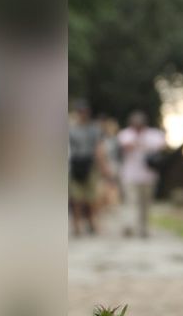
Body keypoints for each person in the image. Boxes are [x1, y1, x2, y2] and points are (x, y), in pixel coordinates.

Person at [117, 111, 166, 238]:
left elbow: (162, 144)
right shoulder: (125, 134)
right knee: (131, 202)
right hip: (130, 175)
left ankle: (143, 228)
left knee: (146, 204)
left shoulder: (153, 134)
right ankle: (129, 226)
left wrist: (141, 144)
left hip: (148, 176)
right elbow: (125, 146)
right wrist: (143, 144)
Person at [68, 100, 110, 235]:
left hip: (90, 165)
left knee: (92, 196)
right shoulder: (71, 129)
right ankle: (76, 224)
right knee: (76, 197)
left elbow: (99, 148)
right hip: (75, 165)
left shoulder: (94, 129)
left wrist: (103, 167)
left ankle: (92, 221)